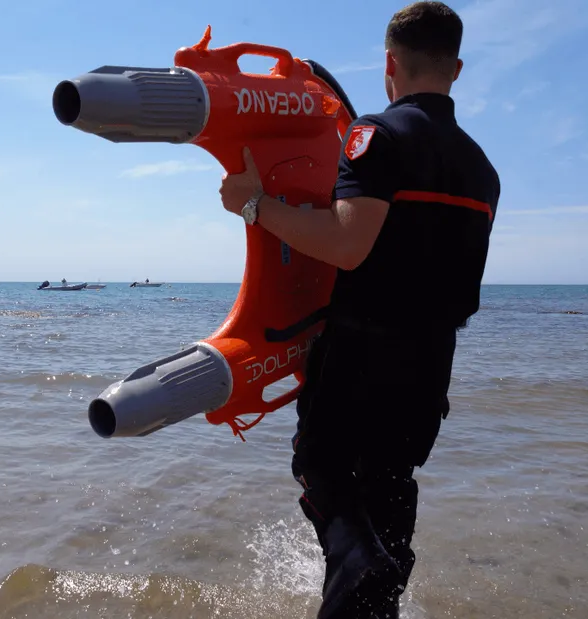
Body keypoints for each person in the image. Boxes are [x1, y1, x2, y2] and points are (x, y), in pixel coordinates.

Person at [218, 2, 500, 617]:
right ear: (455, 68)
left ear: (389, 65)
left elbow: (348, 245)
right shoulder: (484, 170)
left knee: (322, 474)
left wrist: (254, 204)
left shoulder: (377, 136)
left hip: (363, 359)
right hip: (431, 369)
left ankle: (360, 563)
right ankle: (379, 592)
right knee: (388, 494)